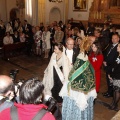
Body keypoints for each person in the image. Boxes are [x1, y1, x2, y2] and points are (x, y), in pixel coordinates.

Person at [59, 37, 97, 120]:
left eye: (73, 44)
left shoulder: (80, 56)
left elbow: (73, 74)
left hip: (76, 83)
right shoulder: (86, 58)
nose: (71, 46)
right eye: (69, 44)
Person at [108, 43, 120, 111]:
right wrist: (111, 73)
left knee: (117, 90)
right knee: (115, 89)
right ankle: (114, 102)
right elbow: (114, 65)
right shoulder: (118, 55)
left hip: (118, 76)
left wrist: (112, 75)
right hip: (115, 75)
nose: (117, 47)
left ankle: (115, 104)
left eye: (119, 46)